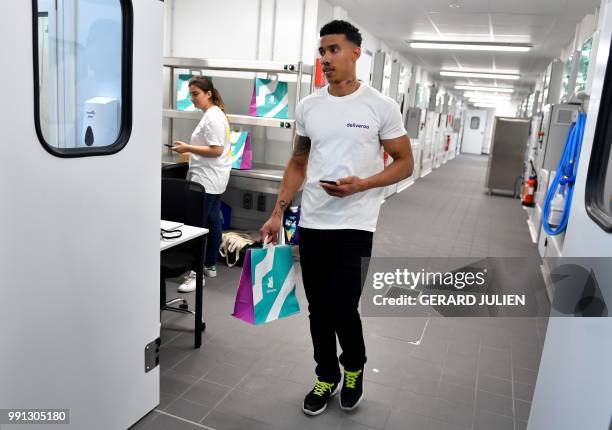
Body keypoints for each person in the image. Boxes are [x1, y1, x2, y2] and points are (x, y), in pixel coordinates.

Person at [260, 20, 414, 416]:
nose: (325, 58)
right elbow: (297, 161)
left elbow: (404, 163)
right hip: (313, 223)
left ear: (355, 52)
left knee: (344, 307)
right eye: (322, 51)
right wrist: (278, 211)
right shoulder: (309, 106)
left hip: (355, 224)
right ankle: (325, 374)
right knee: (317, 309)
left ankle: (354, 369)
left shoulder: (379, 106)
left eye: (333, 50)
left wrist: (363, 184)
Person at [171, 76, 231, 292]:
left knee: (198, 226)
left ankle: (196, 273)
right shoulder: (212, 114)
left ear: (208, 93)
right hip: (212, 178)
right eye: (191, 95)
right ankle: (209, 264)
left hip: (207, 179)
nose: (193, 99)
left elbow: (216, 149)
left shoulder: (213, 117)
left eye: (196, 94)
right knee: (213, 221)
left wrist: (187, 148)